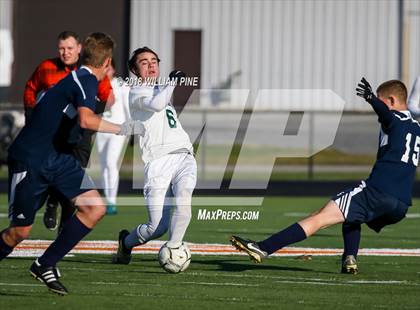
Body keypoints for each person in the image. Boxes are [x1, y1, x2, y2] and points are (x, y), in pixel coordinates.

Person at [0, 33, 141, 295]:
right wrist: (124, 128)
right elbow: (87, 120)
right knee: (19, 232)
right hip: (32, 159)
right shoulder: (85, 79)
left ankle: (45, 264)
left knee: (94, 208)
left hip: (58, 158)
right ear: (107, 61)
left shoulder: (78, 79)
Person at [231, 78, 416, 274]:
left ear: (392, 100)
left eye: (382, 100)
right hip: (401, 205)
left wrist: (371, 99)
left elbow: (387, 115)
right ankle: (349, 259)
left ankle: (263, 248)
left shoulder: (395, 119)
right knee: (352, 216)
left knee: (320, 217)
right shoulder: (416, 128)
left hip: (378, 191)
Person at [23, 31, 114, 231]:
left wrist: (91, 113)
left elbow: (107, 96)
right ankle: (47, 205)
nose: (65, 52)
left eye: (70, 48)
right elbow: (30, 90)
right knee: (48, 177)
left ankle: (65, 221)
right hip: (54, 135)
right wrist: (32, 118)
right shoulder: (47, 67)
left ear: (79, 49)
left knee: (75, 177)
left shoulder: (88, 73)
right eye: (62, 48)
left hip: (80, 132)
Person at [113, 47, 197, 264]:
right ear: (134, 69)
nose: (151, 65)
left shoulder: (161, 88)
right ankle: (126, 243)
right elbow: (157, 105)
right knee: (156, 227)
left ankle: (174, 249)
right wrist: (172, 82)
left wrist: (168, 84)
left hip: (184, 154)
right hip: (158, 162)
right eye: (144, 62)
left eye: (154, 61)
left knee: (183, 202)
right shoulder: (136, 92)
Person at [95, 60, 130, 215]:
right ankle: (107, 199)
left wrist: (131, 127)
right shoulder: (96, 84)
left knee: (111, 162)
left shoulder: (121, 85)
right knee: (103, 166)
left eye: (108, 66)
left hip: (118, 129)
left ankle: (112, 201)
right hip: (101, 129)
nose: (106, 70)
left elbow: (127, 108)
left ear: (114, 68)